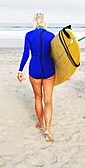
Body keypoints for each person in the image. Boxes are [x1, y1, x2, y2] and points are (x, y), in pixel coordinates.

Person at [17, 13, 56, 142]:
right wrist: (65, 72)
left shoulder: (28, 35)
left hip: (34, 68)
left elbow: (25, 54)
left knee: (38, 97)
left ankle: (40, 124)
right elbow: (57, 56)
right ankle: (47, 129)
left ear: (34, 22)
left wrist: (20, 69)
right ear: (45, 22)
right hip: (48, 69)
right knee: (48, 101)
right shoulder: (51, 36)